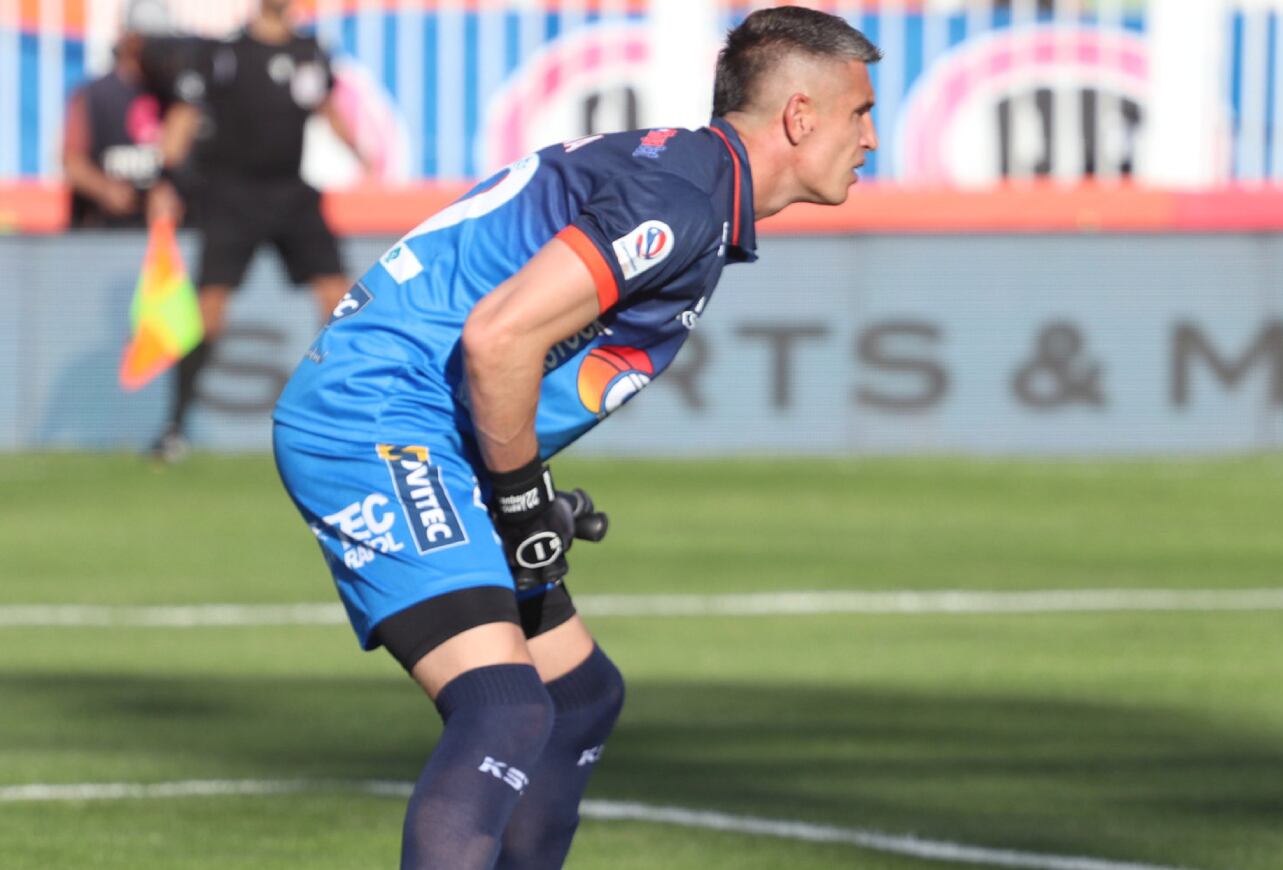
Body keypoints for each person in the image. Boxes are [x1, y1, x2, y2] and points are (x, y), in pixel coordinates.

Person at [272, 7, 879, 869]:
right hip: (376, 417)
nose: (873, 137)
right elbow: (500, 339)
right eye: (860, 111)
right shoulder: (680, 201)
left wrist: (522, 492)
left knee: (579, 696)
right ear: (800, 116)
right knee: (503, 708)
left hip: (428, 427)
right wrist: (521, 507)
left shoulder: (693, 186)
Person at [147, 0, 367, 461]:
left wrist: (362, 155)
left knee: (338, 302)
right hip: (233, 195)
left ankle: (338, 420)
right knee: (209, 310)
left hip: (291, 194)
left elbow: (326, 108)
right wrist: (166, 177)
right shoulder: (223, 53)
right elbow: (183, 117)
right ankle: (174, 427)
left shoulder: (311, 52)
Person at [62, 0, 173, 229]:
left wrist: (172, 189)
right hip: (105, 230)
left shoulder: (175, 96)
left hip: (163, 232)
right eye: (148, 39)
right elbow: (72, 160)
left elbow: (188, 156)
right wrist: (104, 189)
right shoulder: (93, 94)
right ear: (129, 38)